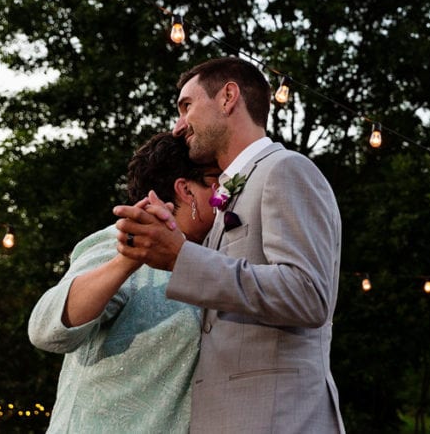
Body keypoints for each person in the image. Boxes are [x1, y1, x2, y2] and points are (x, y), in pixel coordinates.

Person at [114, 56, 345, 433]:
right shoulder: (228, 197)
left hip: (280, 420)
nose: (177, 127)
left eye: (187, 106)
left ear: (228, 97)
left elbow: (309, 294)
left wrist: (182, 258)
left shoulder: (285, 169)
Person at [28, 131, 219, 433]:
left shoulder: (212, 262)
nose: (226, 191)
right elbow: (46, 330)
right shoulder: (121, 241)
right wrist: (127, 260)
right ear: (186, 190)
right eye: (215, 180)